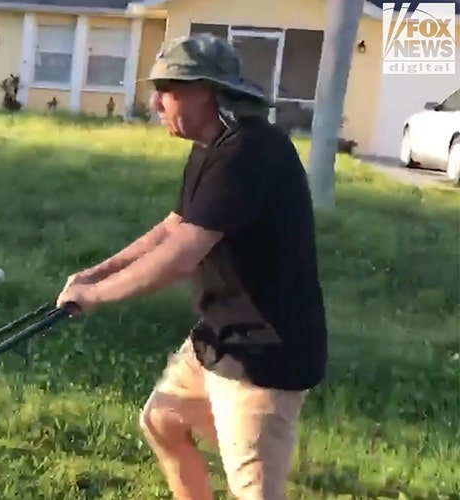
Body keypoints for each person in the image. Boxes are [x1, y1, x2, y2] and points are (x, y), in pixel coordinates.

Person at [55, 33, 328, 500]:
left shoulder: (250, 153)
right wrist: (94, 275)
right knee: (163, 421)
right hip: (220, 335)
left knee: (256, 492)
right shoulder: (211, 147)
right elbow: (174, 227)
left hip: (264, 354)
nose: (156, 102)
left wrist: (96, 298)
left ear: (207, 90)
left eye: (168, 88)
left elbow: (183, 255)